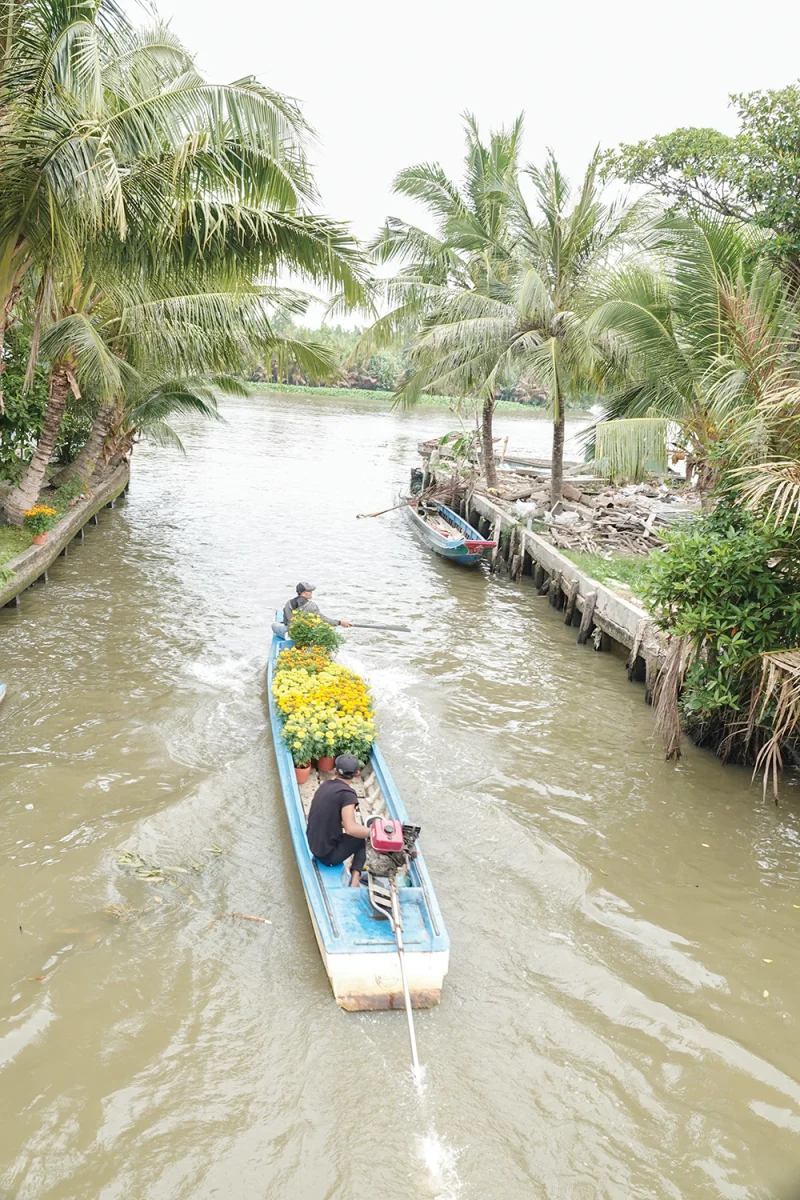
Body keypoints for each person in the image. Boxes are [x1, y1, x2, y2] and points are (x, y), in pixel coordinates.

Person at [306, 754, 369, 887]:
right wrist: (374, 832)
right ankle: (355, 881)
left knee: (359, 834)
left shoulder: (325, 785)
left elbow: (337, 819)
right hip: (327, 856)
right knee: (362, 840)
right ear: (357, 773)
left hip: (313, 845)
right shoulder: (348, 795)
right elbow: (350, 828)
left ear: (335, 771)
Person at [271, 582, 352, 638]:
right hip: (305, 634)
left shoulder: (288, 603)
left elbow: (286, 620)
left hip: (290, 631)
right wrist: (340, 622)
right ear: (302, 593)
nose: (311, 592)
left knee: (274, 625)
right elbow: (323, 620)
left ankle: (288, 636)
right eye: (309, 591)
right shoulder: (311, 606)